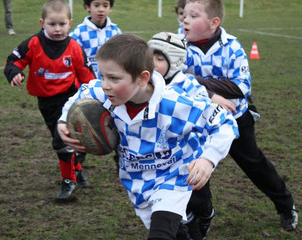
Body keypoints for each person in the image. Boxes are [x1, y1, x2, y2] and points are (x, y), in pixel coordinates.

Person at [57, 33, 238, 240]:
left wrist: (208, 159)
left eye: (114, 78)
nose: (105, 84)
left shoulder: (173, 104)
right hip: (137, 181)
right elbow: (78, 97)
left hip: (174, 176)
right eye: (102, 76)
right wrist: (63, 122)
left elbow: (225, 122)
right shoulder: (102, 94)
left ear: (142, 78)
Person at [182, 0, 298, 232]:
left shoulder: (232, 47)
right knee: (193, 170)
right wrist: (210, 92)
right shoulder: (176, 44)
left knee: (255, 165)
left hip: (234, 119)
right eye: (183, 15)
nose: (184, 20)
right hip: (197, 122)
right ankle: (201, 214)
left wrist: (197, 82)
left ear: (214, 22)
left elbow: (241, 87)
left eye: (193, 16)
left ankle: (286, 205)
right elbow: (173, 81)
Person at [4, 0, 96, 201]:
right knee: (61, 139)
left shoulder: (74, 47)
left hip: (69, 99)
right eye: (52, 24)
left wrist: (96, 96)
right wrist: (14, 73)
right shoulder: (33, 44)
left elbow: (86, 74)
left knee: (60, 139)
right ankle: (77, 170)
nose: (57, 29)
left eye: (62, 24)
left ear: (70, 23)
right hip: (45, 102)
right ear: (42, 22)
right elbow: (13, 60)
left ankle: (68, 181)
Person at [148, 31, 236, 240]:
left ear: (176, 62)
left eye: (160, 59)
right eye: (150, 56)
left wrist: (213, 97)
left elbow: (205, 107)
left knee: (199, 200)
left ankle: (206, 214)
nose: (152, 63)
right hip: (161, 160)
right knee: (180, 210)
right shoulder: (146, 83)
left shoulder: (189, 86)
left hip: (190, 157)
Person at [69, 0, 121, 79]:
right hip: (86, 80)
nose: (101, 9)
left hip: (109, 79)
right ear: (88, 7)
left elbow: (122, 55)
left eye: (105, 6)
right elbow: (68, 52)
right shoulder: (79, 31)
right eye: (96, 5)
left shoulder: (115, 31)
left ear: (110, 8)